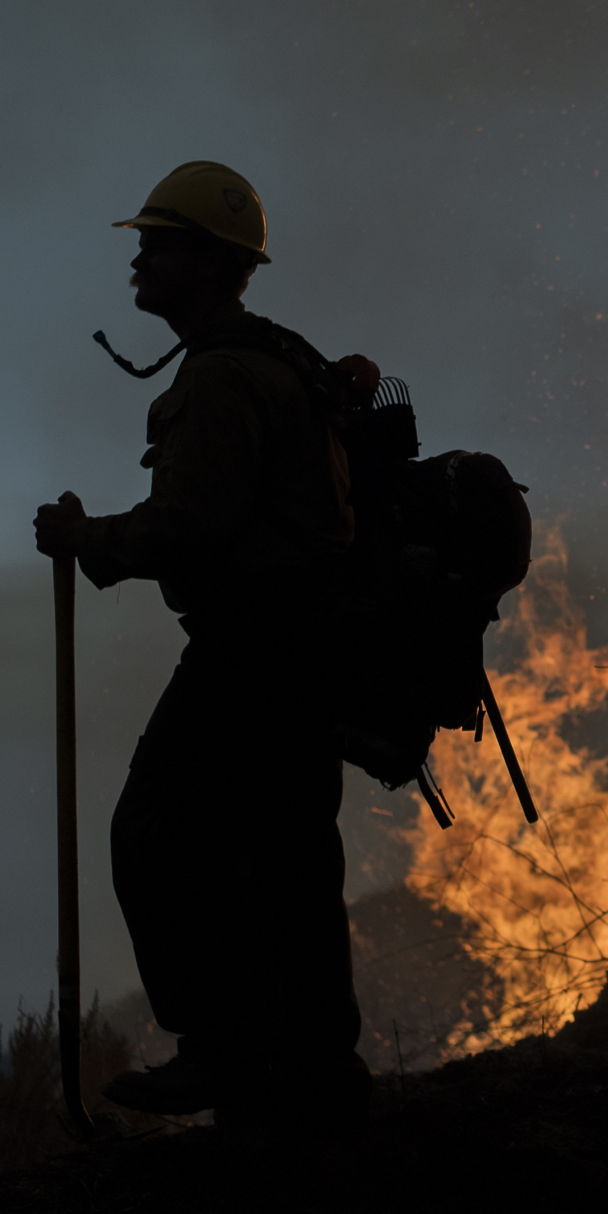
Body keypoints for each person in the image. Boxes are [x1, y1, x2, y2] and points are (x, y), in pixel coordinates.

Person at [32, 161, 370, 1123]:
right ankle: (317, 1076)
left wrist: (87, 538)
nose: (139, 259)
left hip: (251, 654)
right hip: (309, 651)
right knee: (287, 857)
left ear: (210, 263)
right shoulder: (277, 359)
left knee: (156, 836)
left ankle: (224, 1049)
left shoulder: (224, 376)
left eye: (159, 243)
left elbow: (189, 525)